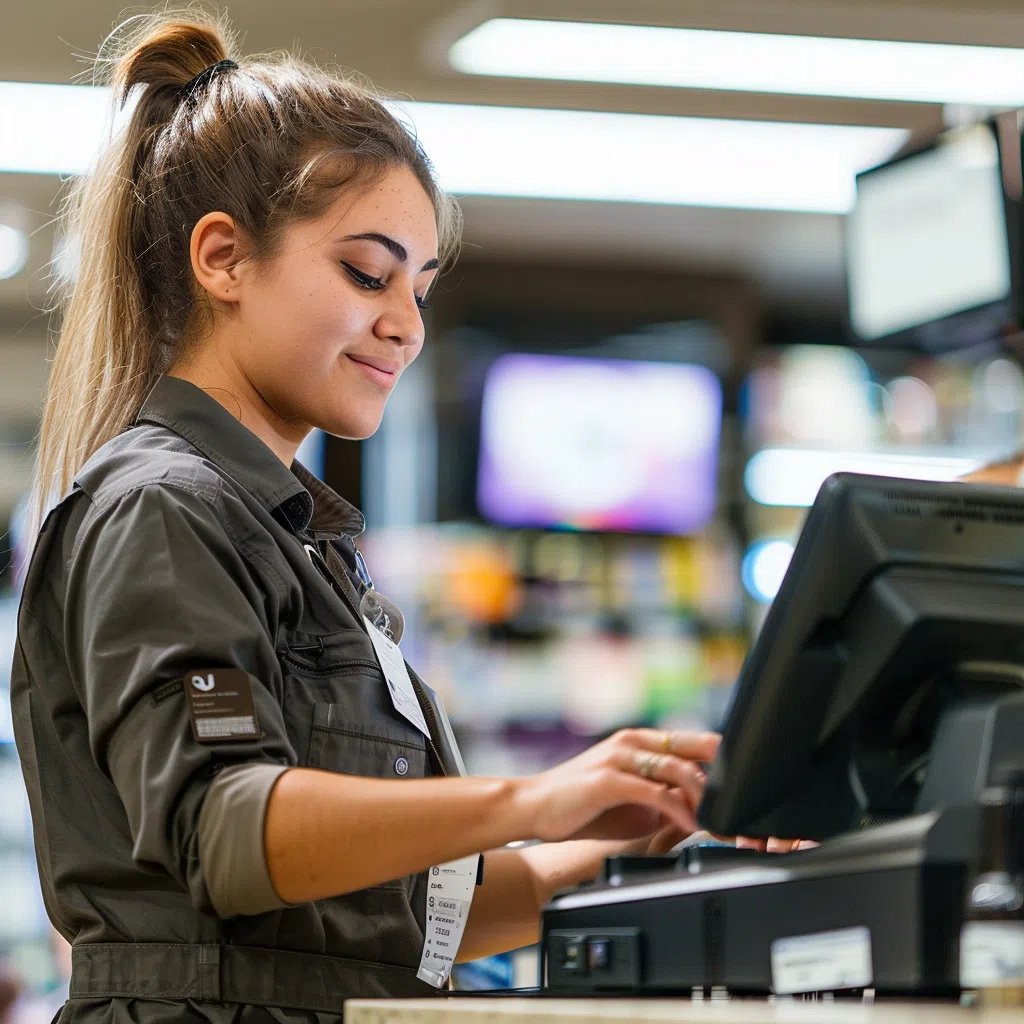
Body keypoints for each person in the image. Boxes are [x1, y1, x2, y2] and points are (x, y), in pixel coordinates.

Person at [10, 10, 735, 1023]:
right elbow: (227, 832)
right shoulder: (163, 506)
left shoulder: (299, 542)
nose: (405, 321)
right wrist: (533, 796)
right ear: (222, 259)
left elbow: (414, 920)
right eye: (367, 271)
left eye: (422, 287)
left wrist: (638, 834)